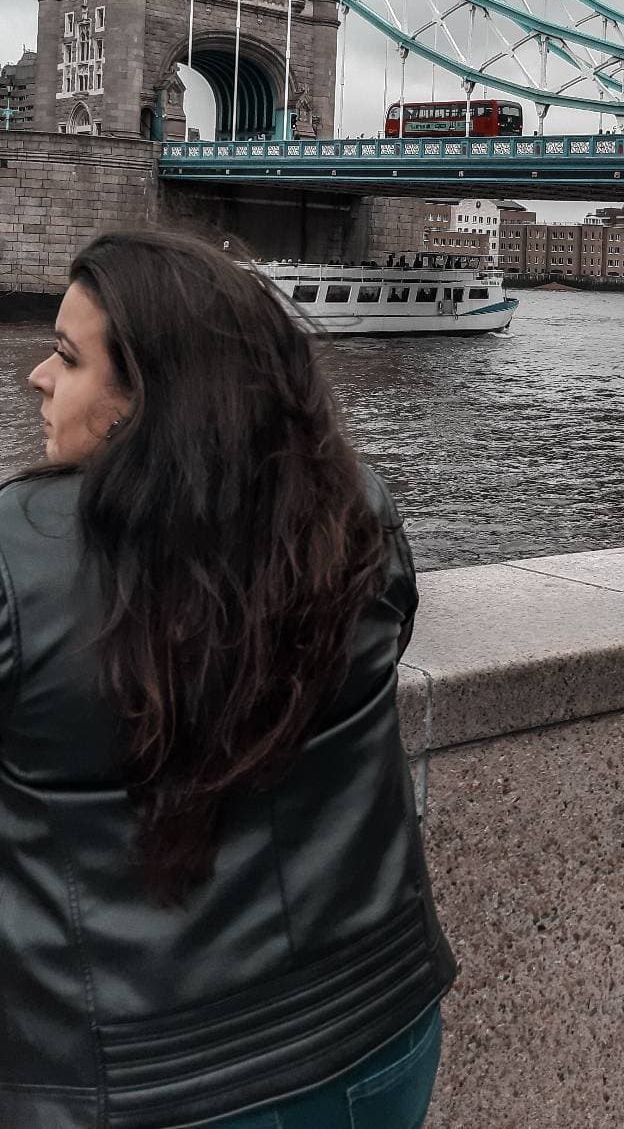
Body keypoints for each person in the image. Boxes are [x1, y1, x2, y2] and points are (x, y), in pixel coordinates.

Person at [0, 229, 455, 1129]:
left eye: (65, 357)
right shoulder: (355, 506)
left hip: (146, 1083)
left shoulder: (15, 557)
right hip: (382, 1028)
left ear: (147, 404)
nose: (35, 380)